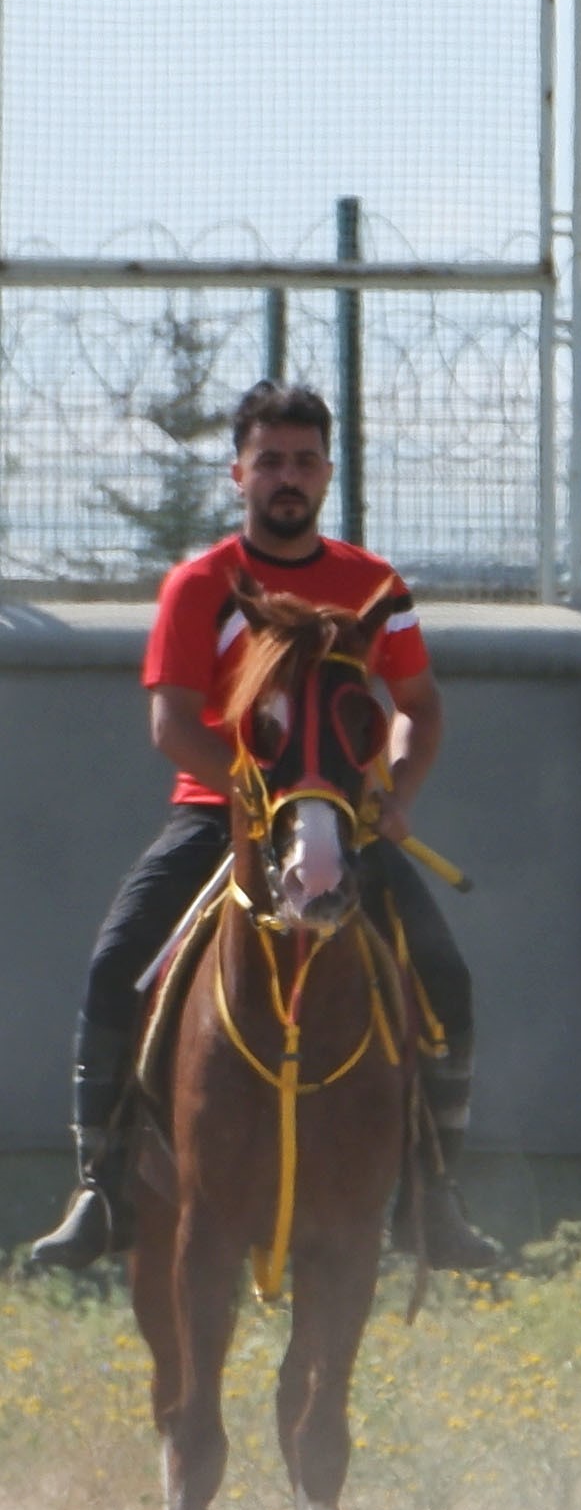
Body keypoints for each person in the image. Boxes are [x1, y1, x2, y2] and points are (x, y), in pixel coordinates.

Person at [27, 382, 508, 1280]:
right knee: (115, 965)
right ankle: (101, 1191)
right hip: (222, 818)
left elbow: (419, 709)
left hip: (346, 825)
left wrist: (396, 790)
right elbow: (173, 725)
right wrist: (260, 802)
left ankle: (435, 1198)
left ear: (327, 473)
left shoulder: (374, 587)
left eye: (304, 462)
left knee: (444, 978)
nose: (288, 478)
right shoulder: (199, 587)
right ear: (238, 472)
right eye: (271, 462)